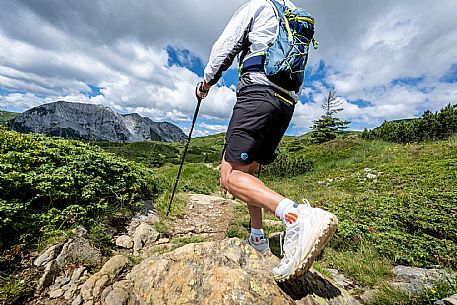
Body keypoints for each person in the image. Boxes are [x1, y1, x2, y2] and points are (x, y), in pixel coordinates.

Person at [196, 0, 338, 281]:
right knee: (248, 173)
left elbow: (225, 47)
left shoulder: (260, 6)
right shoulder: (295, 14)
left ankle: (296, 217)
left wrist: (206, 83)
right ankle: (258, 238)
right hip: (285, 104)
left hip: (257, 94)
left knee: (231, 176)